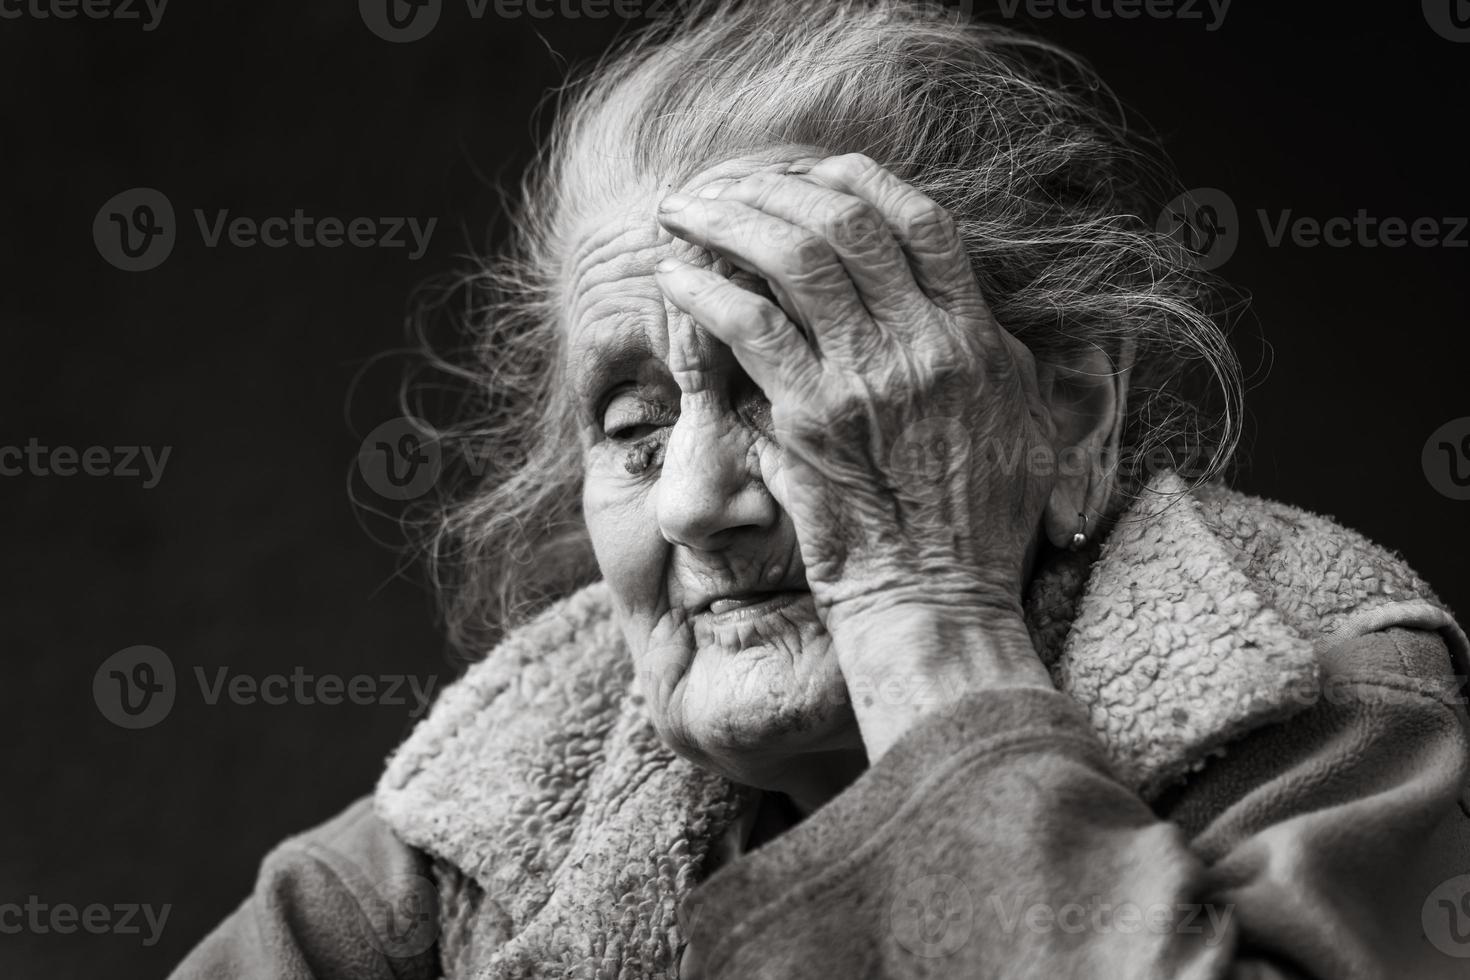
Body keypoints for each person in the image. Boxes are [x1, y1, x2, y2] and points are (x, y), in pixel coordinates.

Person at [171, 2, 1470, 977]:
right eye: (633, 427)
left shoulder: (1318, 702)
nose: (690, 503)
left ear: (1065, 415)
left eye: (794, 391)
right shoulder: (485, 814)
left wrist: (927, 616)